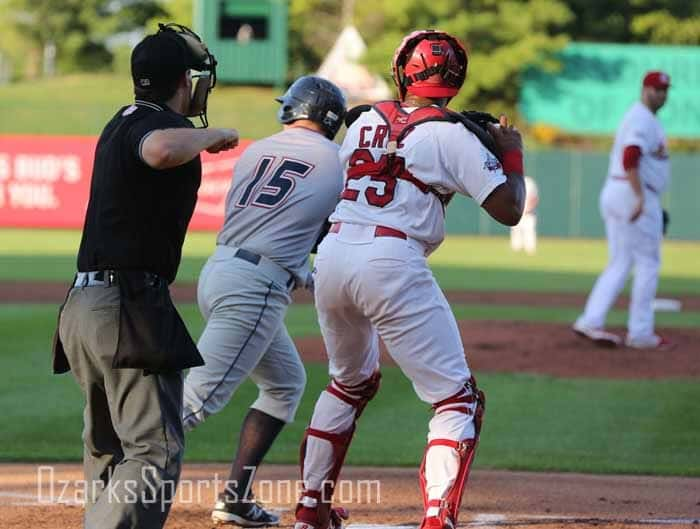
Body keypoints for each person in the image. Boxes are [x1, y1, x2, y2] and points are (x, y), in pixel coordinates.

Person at [293, 30, 525, 529]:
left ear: (401, 71)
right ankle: (438, 518)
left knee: (347, 383)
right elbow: (509, 209)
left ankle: (310, 510)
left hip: (334, 252)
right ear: (457, 78)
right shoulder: (453, 133)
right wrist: (511, 154)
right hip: (391, 257)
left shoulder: (361, 121)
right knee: (455, 399)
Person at [52, 23, 239, 529]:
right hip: (126, 306)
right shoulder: (150, 125)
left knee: (110, 451)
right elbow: (157, 150)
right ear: (184, 80)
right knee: (153, 451)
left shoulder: (121, 119)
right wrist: (211, 135)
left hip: (86, 305)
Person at [181, 75, 346, 527]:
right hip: (256, 287)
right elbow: (328, 228)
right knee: (194, 400)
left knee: (285, 383)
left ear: (292, 109)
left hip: (220, 270)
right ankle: (120, 487)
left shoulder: (258, 149)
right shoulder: (339, 159)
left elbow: (279, 218)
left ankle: (235, 497)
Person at [573, 71, 672, 350]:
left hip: (617, 190)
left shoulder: (639, 116)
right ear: (645, 90)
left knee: (621, 261)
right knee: (648, 263)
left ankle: (590, 320)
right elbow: (631, 155)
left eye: (665, 90)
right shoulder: (643, 118)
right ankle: (640, 333)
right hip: (633, 193)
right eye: (656, 89)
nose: (661, 94)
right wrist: (640, 197)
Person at [510, 175, 539, 254]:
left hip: (529, 213)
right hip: (517, 212)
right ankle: (515, 250)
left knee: (529, 232)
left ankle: (530, 251)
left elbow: (535, 198)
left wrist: (529, 208)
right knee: (516, 231)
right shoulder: (515, 182)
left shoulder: (529, 182)